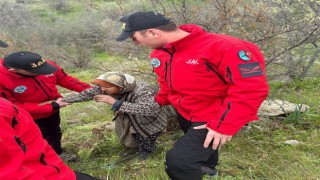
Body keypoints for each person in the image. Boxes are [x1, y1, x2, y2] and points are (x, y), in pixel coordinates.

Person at [115, 11, 269, 179]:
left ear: (153, 32)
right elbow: (166, 82)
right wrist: (159, 101)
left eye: (134, 37)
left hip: (213, 117)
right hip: (185, 113)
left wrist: (224, 125)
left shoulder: (227, 47)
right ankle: (208, 168)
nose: (135, 43)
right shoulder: (159, 53)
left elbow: (251, 89)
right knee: (204, 148)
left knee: (179, 163)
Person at [62, 71, 174, 159]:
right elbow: (85, 95)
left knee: (146, 135)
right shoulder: (105, 86)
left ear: (121, 86)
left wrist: (115, 102)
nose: (103, 90)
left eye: (107, 87)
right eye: (102, 87)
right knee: (127, 131)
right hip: (129, 114)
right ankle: (133, 148)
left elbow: (151, 109)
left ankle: (148, 152)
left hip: (149, 118)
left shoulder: (143, 90)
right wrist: (63, 100)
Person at [0, 51, 92, 156]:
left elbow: (66, 79)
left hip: (52, 111)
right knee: (33, 139)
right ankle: (42, 159)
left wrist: (89, 90)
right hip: (27, 116)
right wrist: (50, 106)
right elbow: (11, 107)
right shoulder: (2, 79)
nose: (42, 72)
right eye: (36, 71)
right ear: (14, 70)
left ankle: (57, 153)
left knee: (54, 132)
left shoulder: (46, 65)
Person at [0, 97, 98, 180]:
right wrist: (51, 106)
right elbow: (8, 172)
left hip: (55, 170)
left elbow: (36, 143)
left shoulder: (4, 105)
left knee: (54, 133)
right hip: (44, 174)